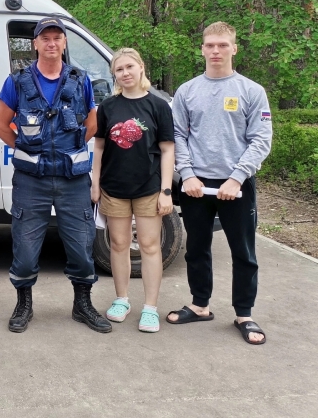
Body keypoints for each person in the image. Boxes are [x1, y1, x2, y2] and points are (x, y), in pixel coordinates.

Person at [0, 16, 111, 334]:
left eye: (57, 37)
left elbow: (92, 122)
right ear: (35, 44)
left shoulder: (80, 80)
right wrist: (27, 149)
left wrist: (71, 147)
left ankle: (82, 304)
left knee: (82, 245)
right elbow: (1, 125)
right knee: (25, 249)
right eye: (45, 38)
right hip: (32, 181)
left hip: (73, 180)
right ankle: (24, 304)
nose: (51, 43)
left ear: (64, 42)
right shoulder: (17, 82)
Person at [167, 22, 272, 345]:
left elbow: (261, 140)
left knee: (244, 252)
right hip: (196, 185)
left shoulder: (251, 91)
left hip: (236, 187)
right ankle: (200, 305)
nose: (216, 51)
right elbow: (177, 136)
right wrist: (187, 174)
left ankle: (244, 314)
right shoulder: (187, 91)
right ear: (202, 49)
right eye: (210, 45)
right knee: (196, 249)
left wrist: (237, 177)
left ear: (234, 48)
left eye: (222, 45)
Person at [90, 49, 175, 334]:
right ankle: (121, 299)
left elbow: (167, 149)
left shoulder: (158, 106)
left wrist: (166, 190)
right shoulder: (108, 107)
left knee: (150, 246)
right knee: (118, 244)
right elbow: (99, 146)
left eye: (129, 67)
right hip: (113, 188)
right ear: (114, 74)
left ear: (141, 67)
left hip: (149, 188)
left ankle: (150, 308)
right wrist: (95, 183)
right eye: (119, 69)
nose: (125, 73)